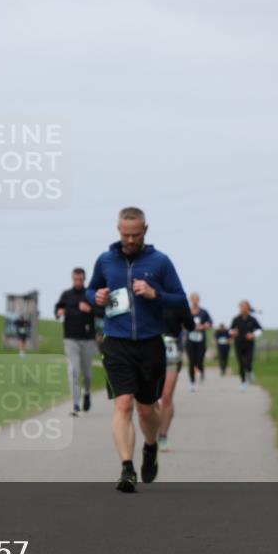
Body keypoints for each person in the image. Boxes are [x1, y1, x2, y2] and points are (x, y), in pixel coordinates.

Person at [87, 207, 187, 492]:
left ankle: (151, 446)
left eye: (135, 234)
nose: (130, 240)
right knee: (123, 403)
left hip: (150, 343)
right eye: (125, 234)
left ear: (145, 230)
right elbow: (91, 290)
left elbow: (179, 299)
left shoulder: (160, 262)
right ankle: (127, 468)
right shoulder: (105, 260)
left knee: (146, 410)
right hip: (116, 342)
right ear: (118, 230)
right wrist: (97, 295)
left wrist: (156, 294)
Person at [55, 267, 103, 416]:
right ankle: (75, 404)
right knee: (73, 371)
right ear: (72, 279)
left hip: (88, 339)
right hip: (70, 339)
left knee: (87, 374)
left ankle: (87, 392)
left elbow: (101, 312)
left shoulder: (89, 295)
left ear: (84, 279)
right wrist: (58, 312)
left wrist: (90, 310)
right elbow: (58, 309)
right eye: (76, 279)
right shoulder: (66, 295)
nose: (78, 281)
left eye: (80, 279)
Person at [158, 304, 195, 451]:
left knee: (166, 396)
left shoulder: (176, 299)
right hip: (149, 350)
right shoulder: (142, 295)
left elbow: (190, 324)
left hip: (173, 352)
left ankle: (163, 435)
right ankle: (152, 431)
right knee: (150, 399)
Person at [230, 300, 263, 392]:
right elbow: (230, 330)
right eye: (241, 307)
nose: (243, 309)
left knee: (248, 362)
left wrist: (253, 335)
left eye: (245, 307)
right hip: (238, 344)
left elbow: (260, 329)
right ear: (239, 308)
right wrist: (233, 332)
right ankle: (243, 382)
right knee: (241, 364)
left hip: (249, 344)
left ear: (248, 308)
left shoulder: (252, 319)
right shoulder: (236, 319)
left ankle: (250, 371)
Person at [184, 292, 213, 392]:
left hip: (201, 340)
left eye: (197, 299)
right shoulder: (187, 311)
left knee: (199, 359)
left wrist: (203, 326)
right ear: (190, 300)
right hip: (190, 340)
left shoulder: (204, 312)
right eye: (193, 299)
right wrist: (190, 327)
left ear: (199, 300)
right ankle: (192, 382)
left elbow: (210, 323)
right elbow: (182, 323)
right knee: (191, 361)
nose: (195, 301)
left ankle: (201, 370)